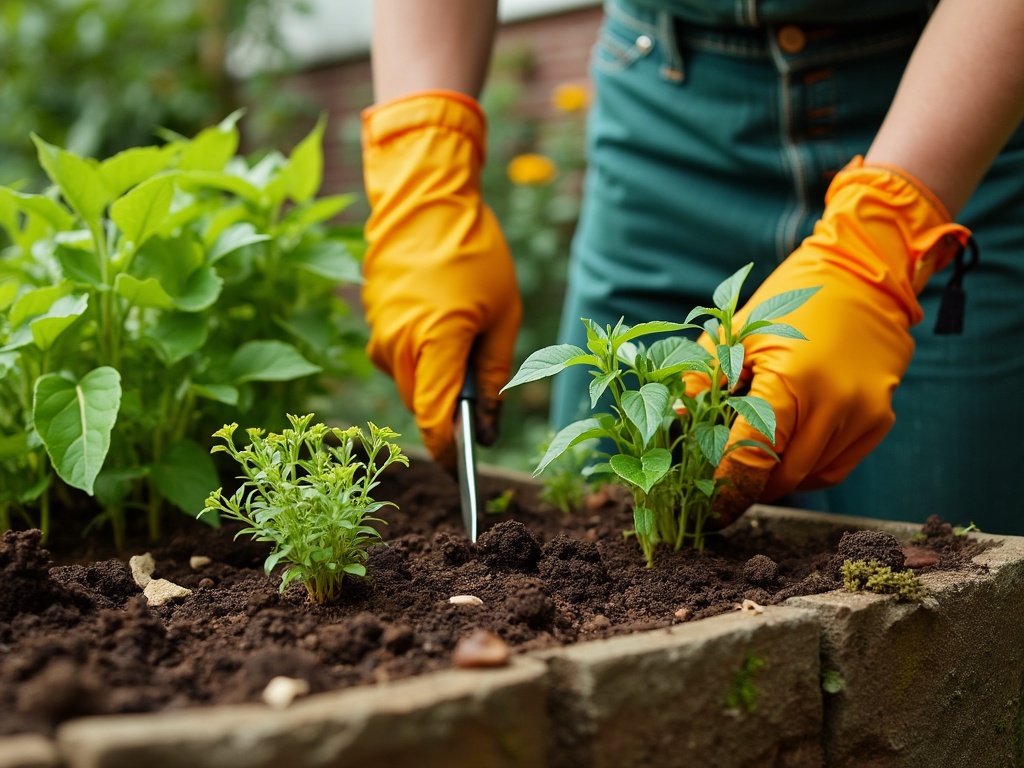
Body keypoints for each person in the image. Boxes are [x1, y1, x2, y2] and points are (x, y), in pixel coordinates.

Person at [359, 0, 1024, 535]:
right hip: (666, 100)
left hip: (963, 108)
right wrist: (424, 166)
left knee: (941, 558)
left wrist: (880, 239)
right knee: (591, 523)